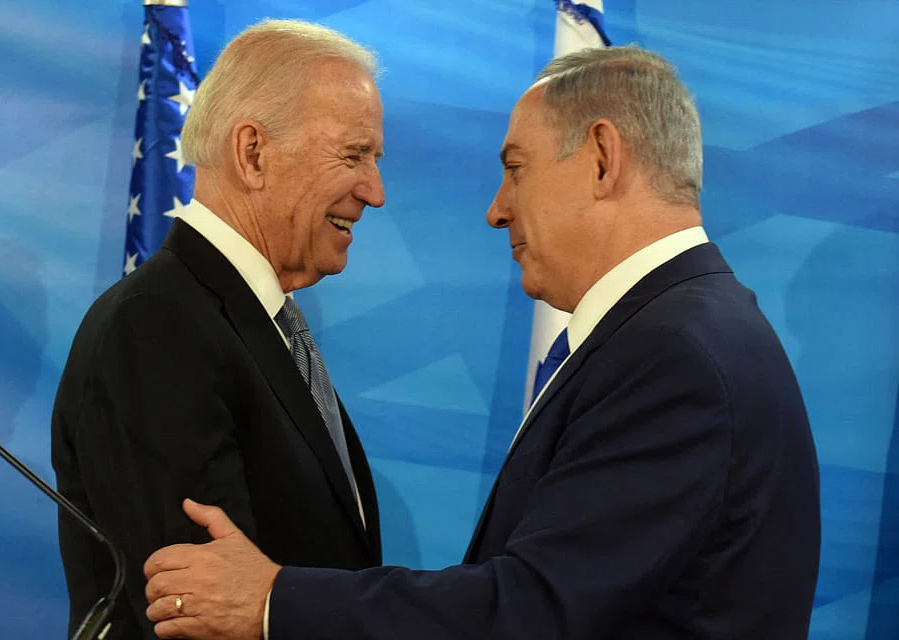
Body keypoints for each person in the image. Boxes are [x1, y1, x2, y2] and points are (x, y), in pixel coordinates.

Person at [142, 46, 821, 640]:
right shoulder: (690, 328)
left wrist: (271, 601)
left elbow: (534, 610)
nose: (497, 209)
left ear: (602, 158)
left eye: (516, 168)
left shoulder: (673, 354)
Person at [51, 19, 386, 639]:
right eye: (353, 155)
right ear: (253, 153)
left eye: (375, 159)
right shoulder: (158, 328)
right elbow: (196, 616)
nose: (375, 191)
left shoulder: (259, 324)